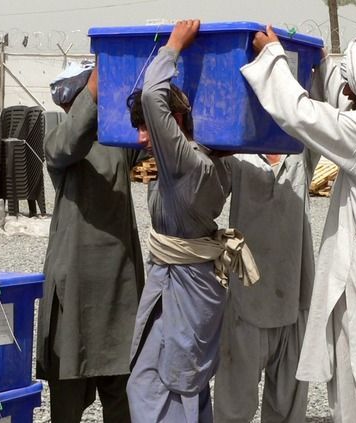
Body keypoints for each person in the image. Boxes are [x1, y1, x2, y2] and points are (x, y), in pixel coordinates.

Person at [242, 25, 356, 422]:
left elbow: (302, 115)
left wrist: (273, 56)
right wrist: (325, 65)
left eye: (351, 81)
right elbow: (343, 110)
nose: (346, 90)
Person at [125, 19, 259, 422]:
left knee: (161, 383)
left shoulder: (185, 162)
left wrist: (174, 46)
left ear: (176, 124)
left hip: (184, 286)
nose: (142, 139)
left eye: (148, 128)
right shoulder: (217, 163)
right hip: (190, 282)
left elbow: (152, 94)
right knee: (186, 378)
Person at [36, 60, 146, 423]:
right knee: (67, 391)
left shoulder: (118, 140)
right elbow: (68, 143)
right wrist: (97, 88)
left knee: (123, 392)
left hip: (119, 286)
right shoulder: (58, 143)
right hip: (75, 286)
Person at [214, 146, 319, 422]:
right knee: (234, 408)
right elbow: (209, 194)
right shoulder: (239, 154)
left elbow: (321, 110)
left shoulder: (300, 149)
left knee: (288, 409)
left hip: (295, 294)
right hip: (248, 299)